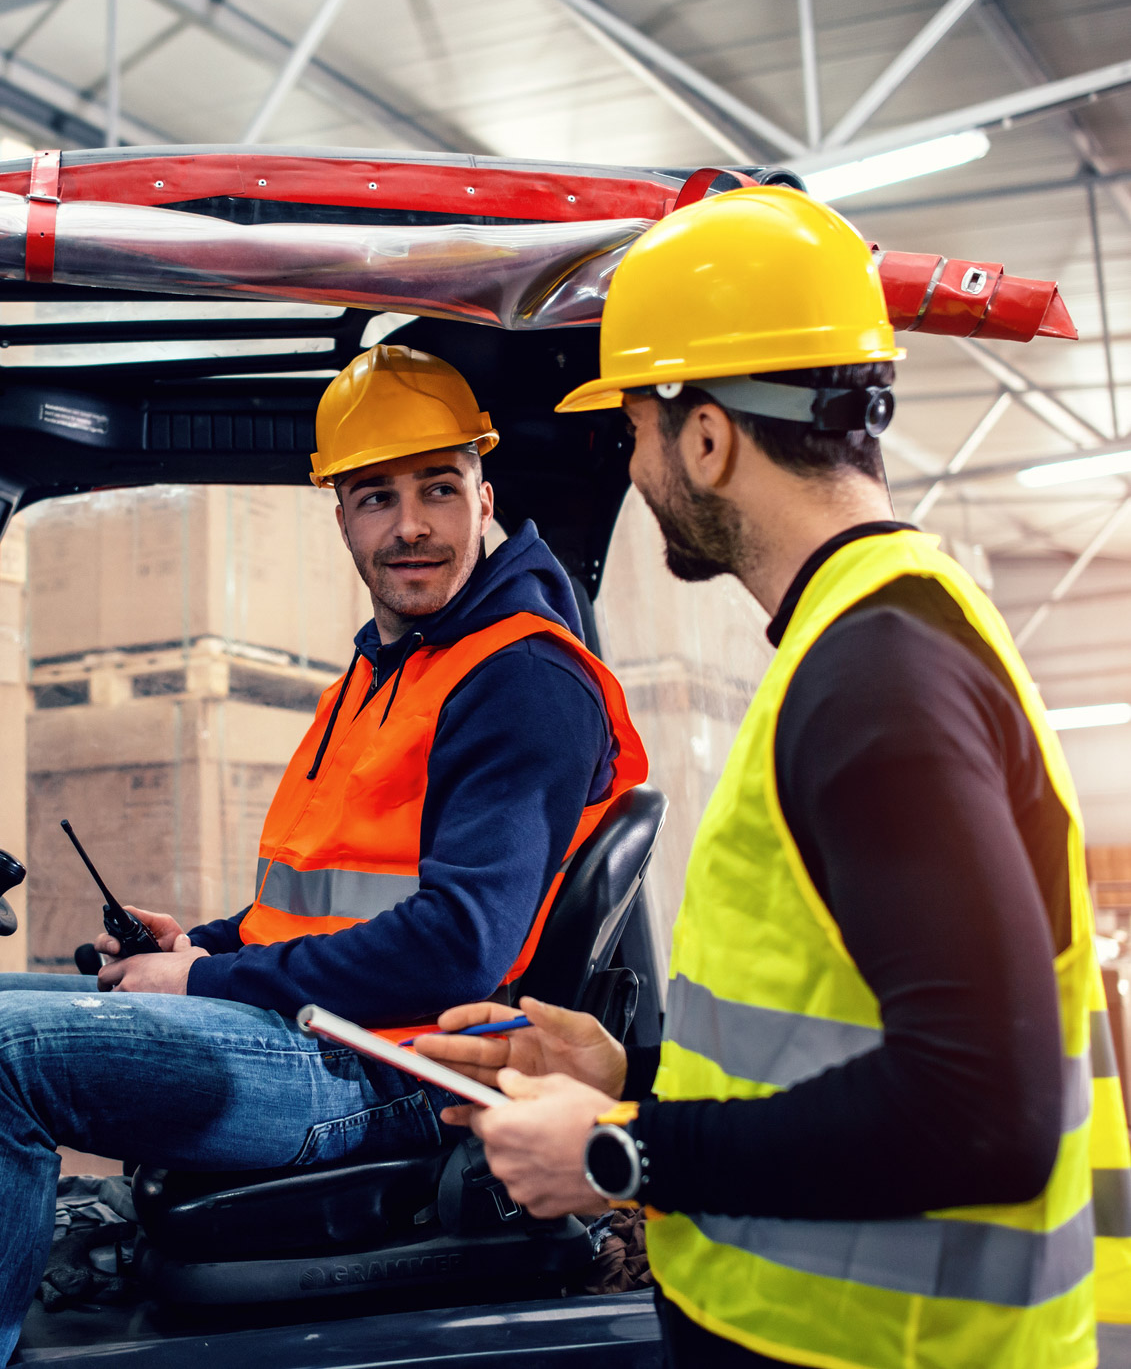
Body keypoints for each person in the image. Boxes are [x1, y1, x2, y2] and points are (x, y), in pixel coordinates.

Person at [417, 188, 1131, 1368]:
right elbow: (850, 1041)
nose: (637, 468)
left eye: (636, 430)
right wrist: (633, 1074)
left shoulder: (879, 681)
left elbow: (981, 1116)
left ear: (709, 436)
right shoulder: (868, 645)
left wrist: (620, 1148)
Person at [0, 343, 646, 1361]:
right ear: (339, 515)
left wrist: (207, 977)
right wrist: (193, 944)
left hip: (391, 1071)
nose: (413, 524)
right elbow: (316, 899)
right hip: (326, 1033)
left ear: (485, 496)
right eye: (377, 496)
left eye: (440, 486)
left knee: (7, 1060)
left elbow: (457, 949)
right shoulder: (388, 666)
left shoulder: (517, 678)